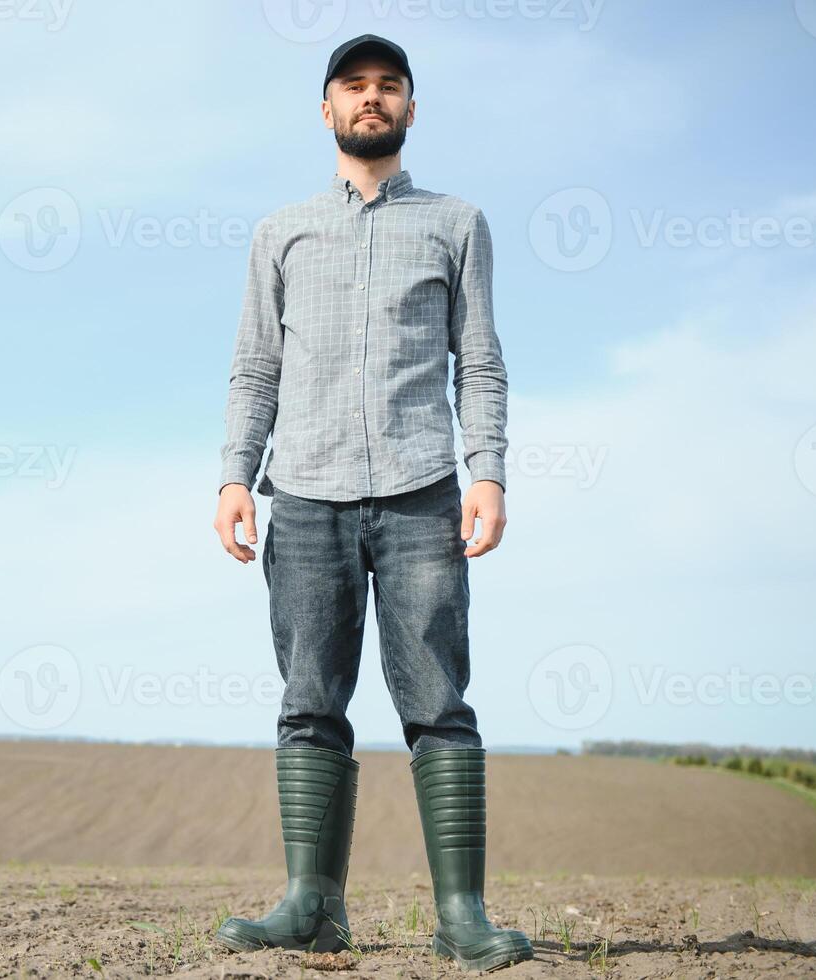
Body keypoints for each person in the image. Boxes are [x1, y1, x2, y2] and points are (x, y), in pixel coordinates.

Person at [209, 34, 534, 972]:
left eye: (388, 86)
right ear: (326, 109)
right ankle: (312, 906)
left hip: (422, 491)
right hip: (303, 497)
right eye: (353, 87)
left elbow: (479, 361)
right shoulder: (280, 231)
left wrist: (489, 473)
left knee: (438, 701)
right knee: (309, 702)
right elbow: (253, 367)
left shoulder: (456, 223)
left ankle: (462, 915)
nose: (371, 98)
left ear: (409, 109)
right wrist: (234, 475)